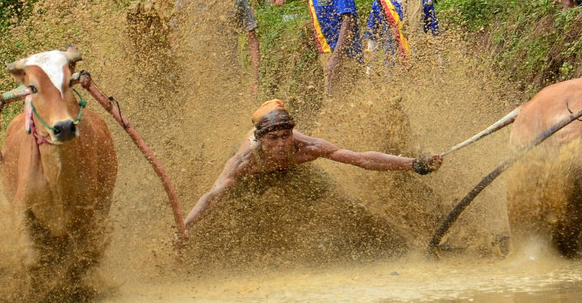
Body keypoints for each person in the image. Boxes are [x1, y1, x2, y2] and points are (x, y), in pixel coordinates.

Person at [182, 99, 443, 236]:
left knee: (342, 202)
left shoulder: (306, 147)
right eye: (273, 139)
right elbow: (214, 193)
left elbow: (361, 159)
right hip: (252, 180)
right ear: (261, 140)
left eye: (286, 136)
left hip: (292, 173)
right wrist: (186, 226)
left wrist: (414, 164)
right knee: (223, 211)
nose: (282, 144)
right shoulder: (244, 160)